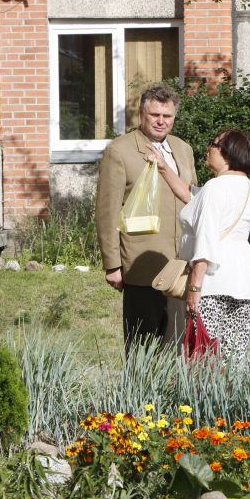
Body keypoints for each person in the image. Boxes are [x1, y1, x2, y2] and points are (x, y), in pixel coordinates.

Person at [149, 129, 250, 371]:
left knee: (204, 356)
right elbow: (191, 196)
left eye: (213, 144)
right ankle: (233, 404)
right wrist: (163, 167)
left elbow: (206, 242)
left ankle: (205, 407)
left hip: (213, 282)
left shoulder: (215, 187)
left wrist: (194, 287)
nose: (208, 149)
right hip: (241, 281)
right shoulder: (245, 185)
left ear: (227, 153)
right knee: (234, 356)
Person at [96, 83, 197, 353]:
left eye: (168, 116)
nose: (161, 122)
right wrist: (112, 264)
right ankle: (141, 396)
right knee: (143, 347)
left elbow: (194, 200)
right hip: (142, 264)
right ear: (142, 114)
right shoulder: (120, 151)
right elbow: (107, 211)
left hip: (180, 262)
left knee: (177, 347)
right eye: (155, 115)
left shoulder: (183, 149)